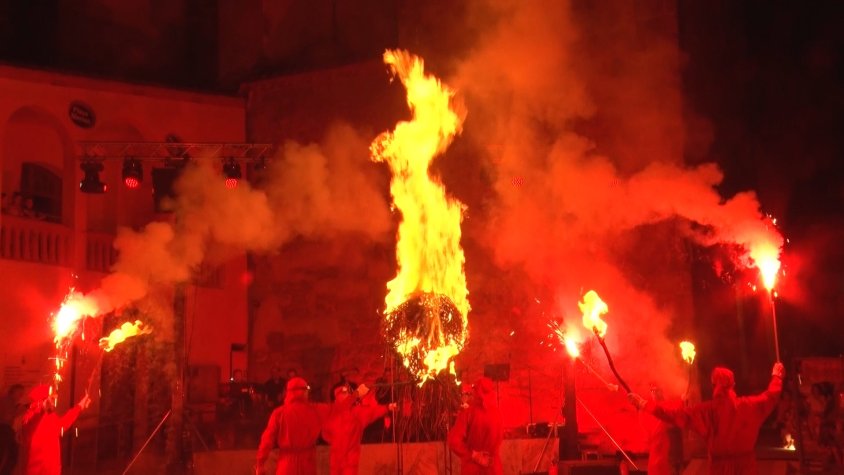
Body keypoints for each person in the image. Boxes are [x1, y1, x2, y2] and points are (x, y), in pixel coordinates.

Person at [628, 362, 784, 475]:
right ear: (733, 384)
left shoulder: (706, 411)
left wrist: (644, 404)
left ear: (713, 385)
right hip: (747, 469)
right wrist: (776, 376)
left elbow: (675, 415)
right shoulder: (749, 406)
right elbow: (770, 397)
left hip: (719, 469)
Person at [256, 377, 325, 475]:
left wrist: (260, 463)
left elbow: (267, 439)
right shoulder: (315, 411)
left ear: (288, 392)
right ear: (304, 392)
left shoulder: (279, 413)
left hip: (287, 464)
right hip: (308, 463)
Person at [322, 383, 396, 474]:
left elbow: (372, 412)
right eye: (344, 394)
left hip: (345, 460)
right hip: (343, 459)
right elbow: (325, 433)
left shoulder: (353, 413)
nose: (346, 397)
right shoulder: (341, 413)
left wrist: (387, 407)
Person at [19, 385, 91, 475]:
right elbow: (34, 417)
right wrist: (42, 406)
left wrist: (80, 406)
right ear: (43, 400)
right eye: (52, 398)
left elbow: (63, 424)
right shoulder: (30, 417)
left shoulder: (51, 416)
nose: (55, 401)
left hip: (52, 470)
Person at [447, 376, 503, 475]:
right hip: (493, 468)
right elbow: (499, 439)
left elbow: (453, 441)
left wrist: (473, 455)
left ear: (476, 392)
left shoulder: (468, 413)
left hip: (472, 469)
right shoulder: (497, 413)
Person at [639, 384, 684, 475]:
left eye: (656, 390)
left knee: (668, 468)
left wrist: (683, 399)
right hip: (655, 446)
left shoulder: (669, 405)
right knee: (655, 468)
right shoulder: (648, 407)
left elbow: (678, 411)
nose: (654, 393)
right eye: (652, 391)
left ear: (662, 392)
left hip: (667, 445)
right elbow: (644, 426)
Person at [0, 384, 25, 475]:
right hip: (4, 429)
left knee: (4, 453)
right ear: (13, 392)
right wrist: (18, 411)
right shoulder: (7, 401)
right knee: (12, 455)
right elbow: (7, 417)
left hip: (4, 429)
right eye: (20, 393)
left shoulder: (6, 399)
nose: (21, 396)